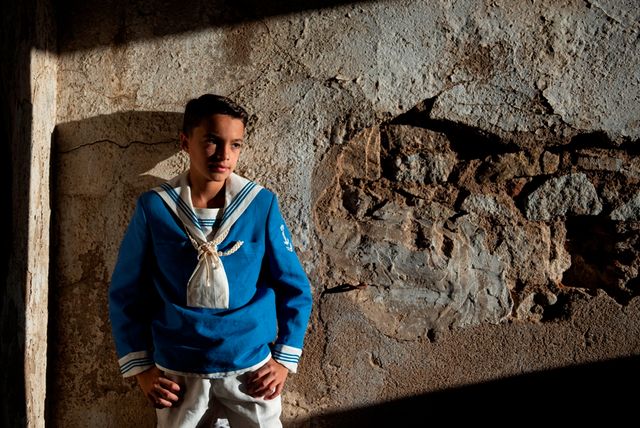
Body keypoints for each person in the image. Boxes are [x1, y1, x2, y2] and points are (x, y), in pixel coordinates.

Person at [109, 94, 313, 428]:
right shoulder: (155, 208)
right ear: (185, 142)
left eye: (235, 145)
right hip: (178, 372)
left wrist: (283, 360)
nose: (224, 155)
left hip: (250, 370)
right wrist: (142, 370)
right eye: (212, 142)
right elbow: (125, 291)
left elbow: (294, 286)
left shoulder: (259, 205)